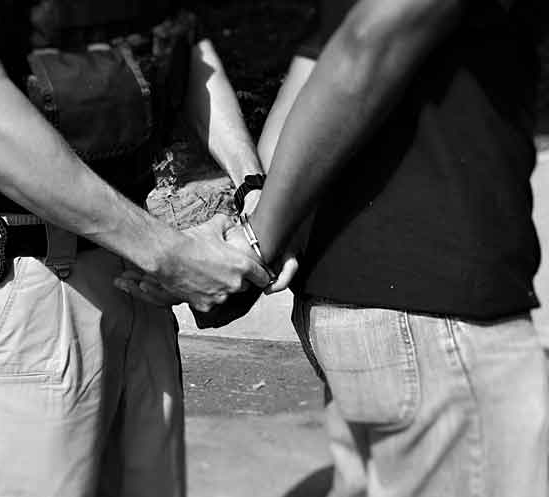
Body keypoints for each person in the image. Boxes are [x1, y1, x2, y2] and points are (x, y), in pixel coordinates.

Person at [123, 0, 549, 495]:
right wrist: (256, 243)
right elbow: (366, 46)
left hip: (360, 313)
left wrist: (250, 241)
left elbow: (312, 79)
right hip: (437, 317)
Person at [0, 1, 273, 496]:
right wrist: (170, 254)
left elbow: (185, 40)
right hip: (25, 294)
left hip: (136, 279)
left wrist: (252, 186)